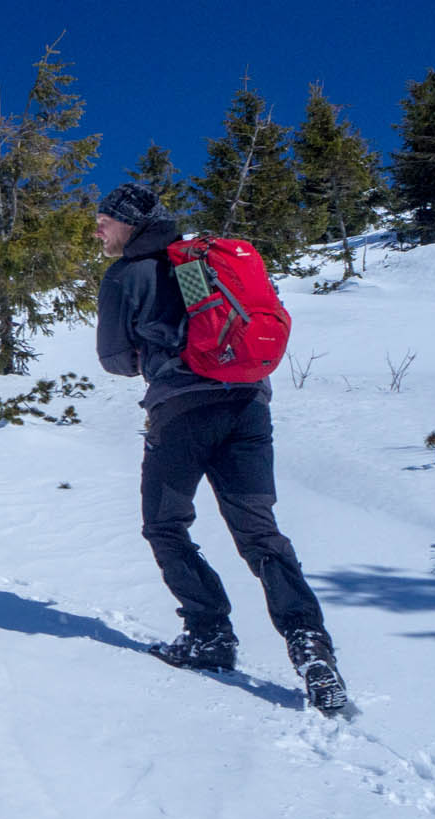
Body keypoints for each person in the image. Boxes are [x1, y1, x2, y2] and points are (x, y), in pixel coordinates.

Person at [93, 182, 348, 713]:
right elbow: (220, 327)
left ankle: (209, 633)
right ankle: (310, 645)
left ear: (131, 225)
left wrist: (154, 356)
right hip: (249, 405)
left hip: (182, 411)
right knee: (259, 532)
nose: (98, 227)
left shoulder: (125, 275)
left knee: (165, 524)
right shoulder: (197, 263)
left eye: (105, 219)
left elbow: (114, 360)